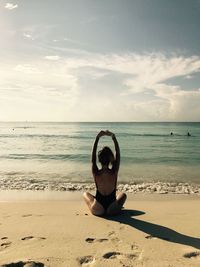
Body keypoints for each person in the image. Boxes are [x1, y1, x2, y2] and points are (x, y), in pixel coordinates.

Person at [83, 130, 127, 216]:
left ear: (99, 159)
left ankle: (92, 205)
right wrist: (113, 137)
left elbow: (93, 158)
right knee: (123, 195)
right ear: (111, 159)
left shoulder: (96, 172)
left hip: (98, 208)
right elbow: (118, 154)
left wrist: (97, 138)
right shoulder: (114, 171)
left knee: (85, 194)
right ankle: (118, 207)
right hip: (112, 209)